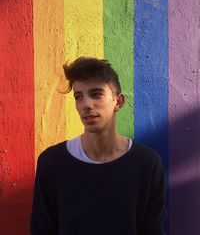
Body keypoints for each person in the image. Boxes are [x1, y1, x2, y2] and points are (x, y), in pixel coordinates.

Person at [30, 57, 166, 234]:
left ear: (118, 102)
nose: (86, 104)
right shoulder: (52, 162)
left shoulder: (147, 164)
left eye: (96, 94)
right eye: (79, 97)